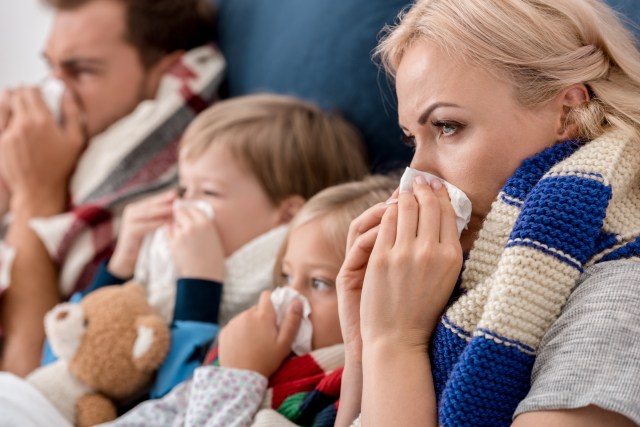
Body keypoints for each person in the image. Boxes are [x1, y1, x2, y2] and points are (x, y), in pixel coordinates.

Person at [336, 0, 640, 426]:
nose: (417, 174)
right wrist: (363, 344)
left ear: (567, 112)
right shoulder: (472, 276)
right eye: (411, 140)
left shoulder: (625, 292)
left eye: (446, 126)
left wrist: (396, 342)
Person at [70, 93, 370, 400]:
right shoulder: (163, 268)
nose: (186, 205)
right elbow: (66, 348)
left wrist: (201, 284)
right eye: (185, 189)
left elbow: (177, 402)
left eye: (209, 193)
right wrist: (122, 264)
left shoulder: (281, 294)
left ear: (286, 216)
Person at [0, 0, 223, 376]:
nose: (55, 93)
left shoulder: (159, 189)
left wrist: (35, 196)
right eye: (50, 68)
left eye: (81, 71)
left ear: (165, 71)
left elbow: (23, 382)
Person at [99, 175, 398, 427]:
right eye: (285, 275)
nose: (290, 297)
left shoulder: (346, 397)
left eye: (318, 283)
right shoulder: (253, 345)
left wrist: (237, 376)